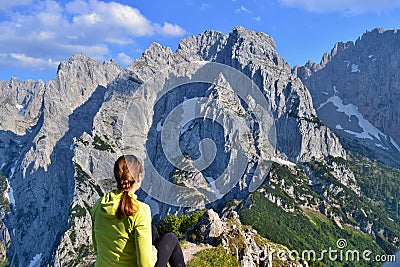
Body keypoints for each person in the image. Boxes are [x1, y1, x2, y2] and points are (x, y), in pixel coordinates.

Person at [90, 154, 186, 267]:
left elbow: (97, 246)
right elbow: (145, 265)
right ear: (139, 177)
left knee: (152, 230)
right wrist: (153, 253)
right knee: (171, 238)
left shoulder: (98, 205)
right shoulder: (140, 210)